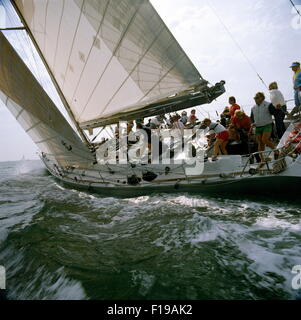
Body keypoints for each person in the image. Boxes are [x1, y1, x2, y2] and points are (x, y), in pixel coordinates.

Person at [250, 92, 279, 163]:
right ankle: (262, 159)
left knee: (264, 139)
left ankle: (276, 151)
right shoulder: (253, 108)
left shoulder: (268, 105)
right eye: (255, 98)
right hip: (258, 126)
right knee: (260, 142)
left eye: (257, 98)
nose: (255, 99)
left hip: (267, 125)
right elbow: (251, 118)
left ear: (262, 98)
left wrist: (277, 108)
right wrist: (252, 123)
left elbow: (275, 112)